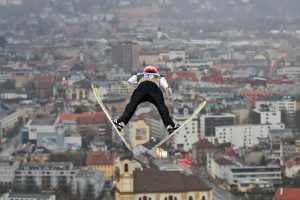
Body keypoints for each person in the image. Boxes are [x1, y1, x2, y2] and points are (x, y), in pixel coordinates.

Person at [113, 66, 179, 134]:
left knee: (132, 105)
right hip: (154, 89)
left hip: (142, 89)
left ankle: (121, 122)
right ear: (155, 72)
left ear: (145, 71)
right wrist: (167, 88)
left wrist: (128, 82)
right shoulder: (158, 76)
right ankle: (169, 126)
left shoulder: (141, 75)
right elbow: (163, 82)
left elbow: (134, 77)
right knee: (161, 106)